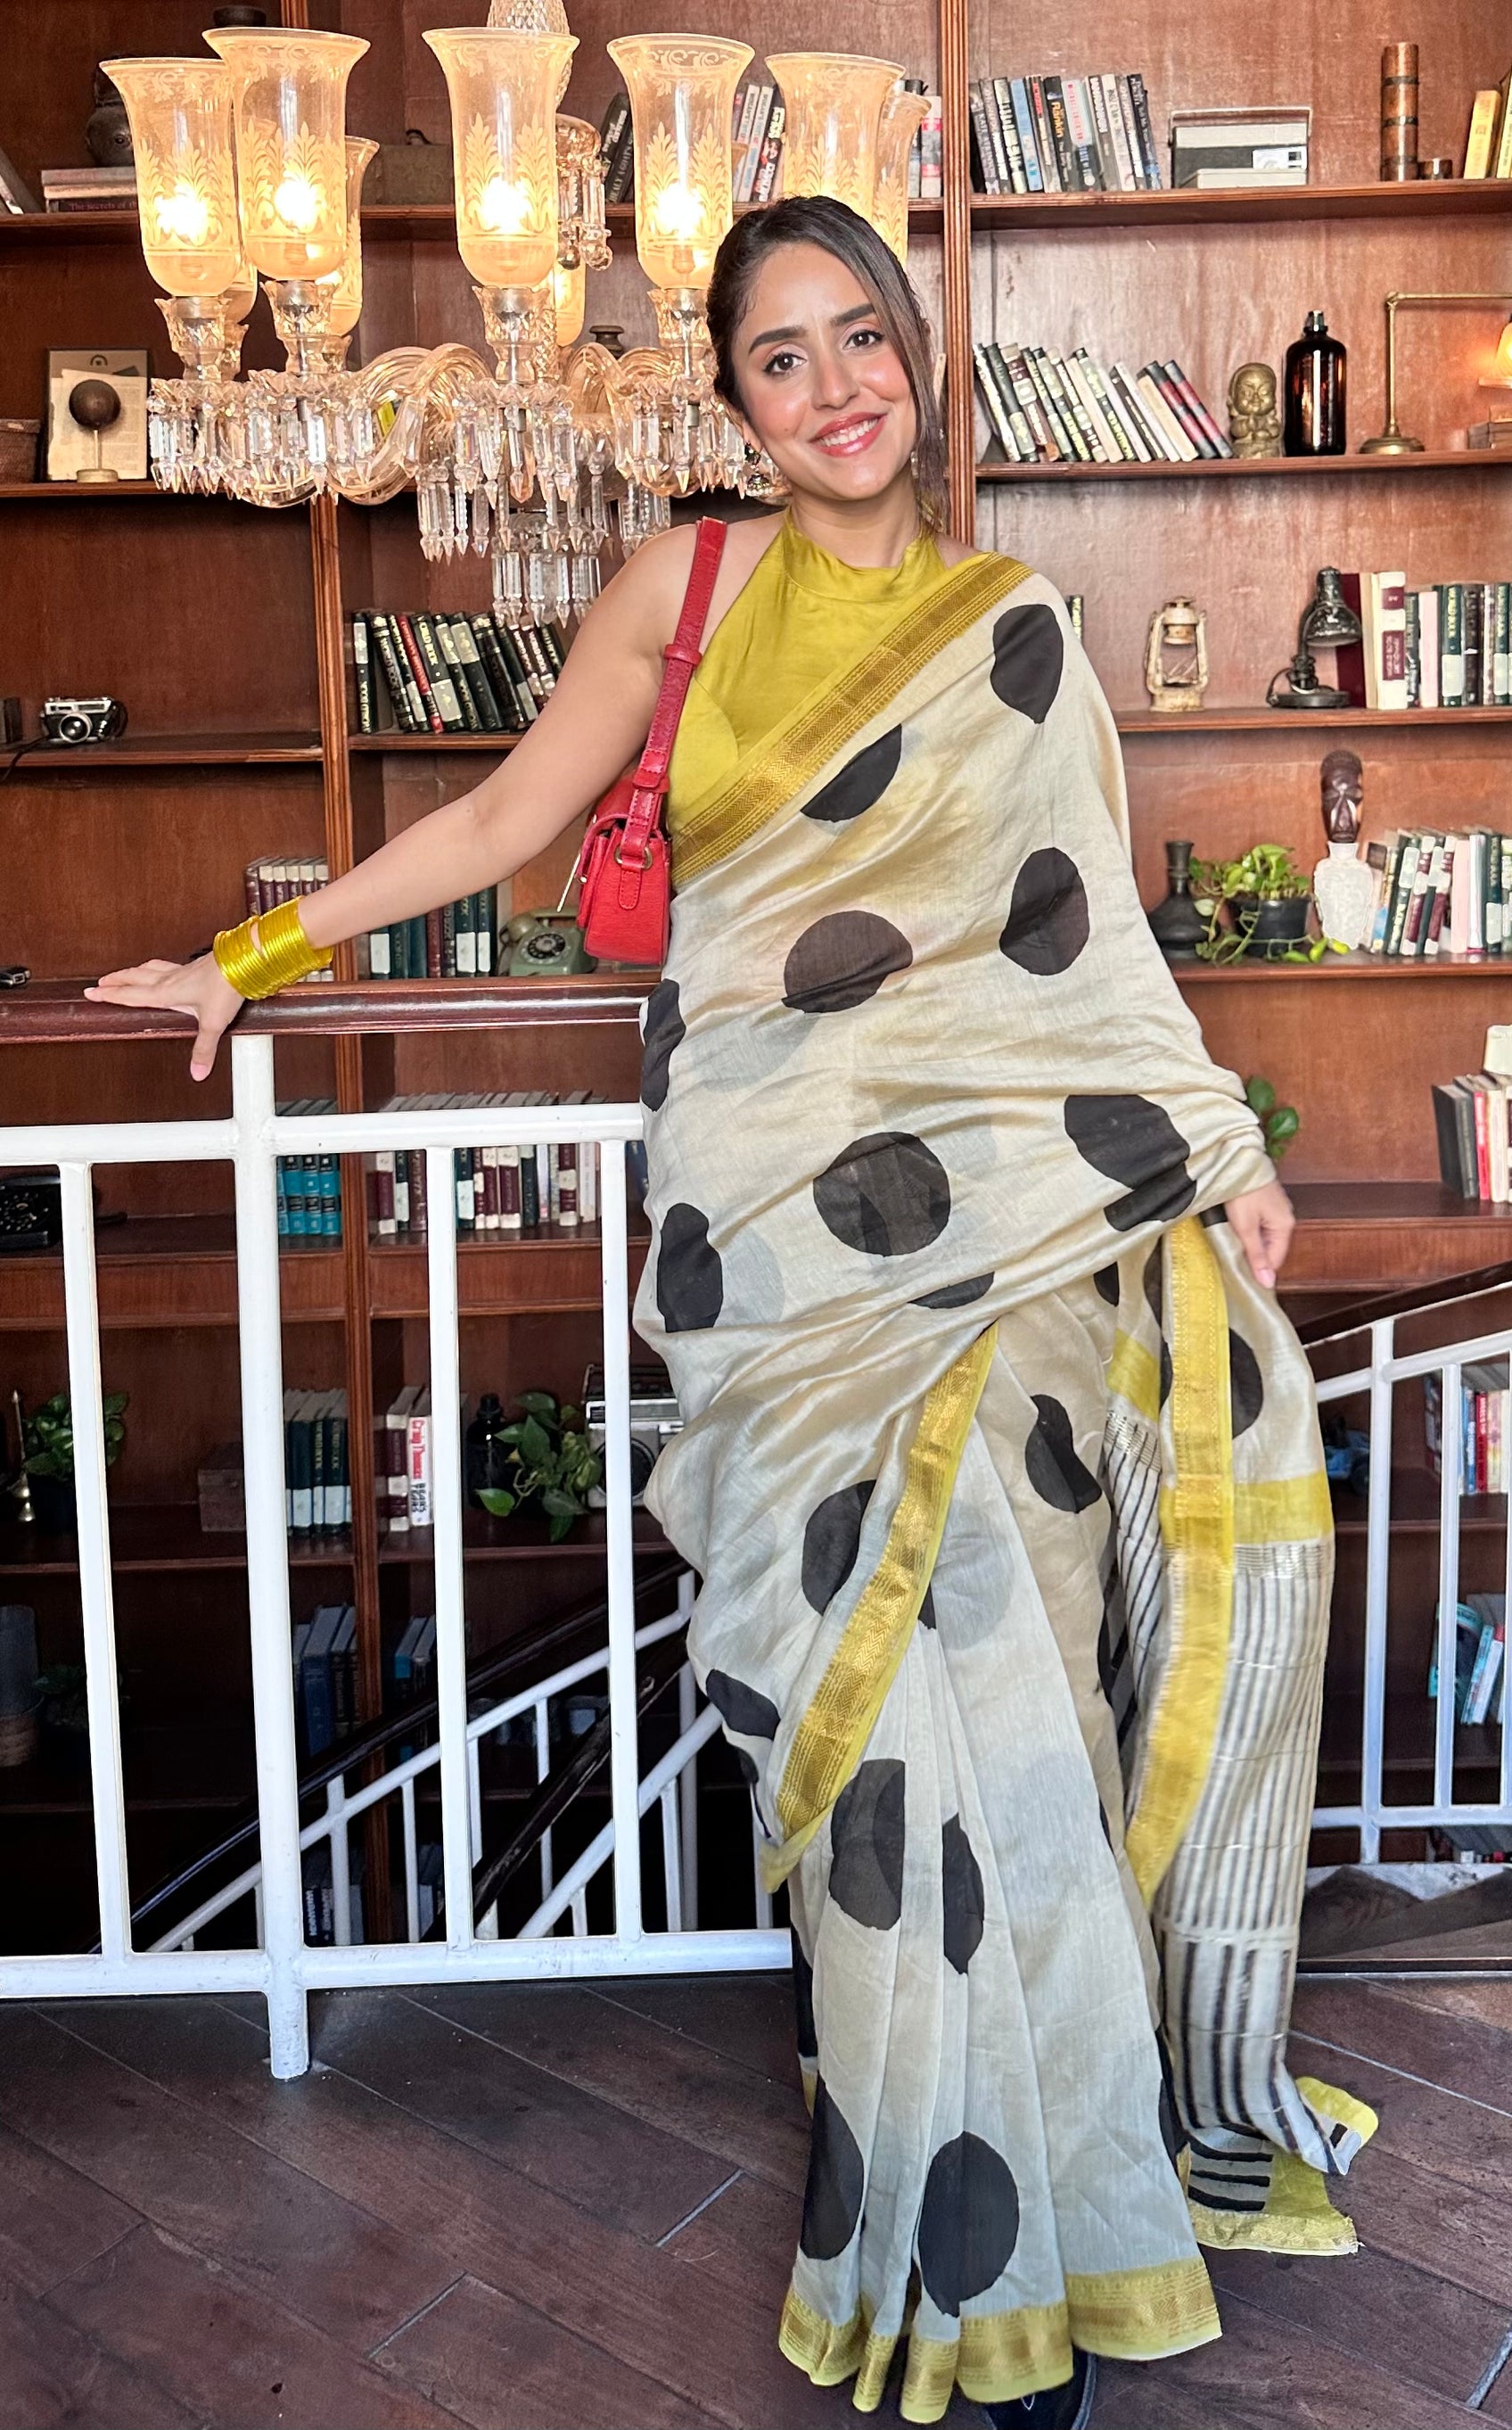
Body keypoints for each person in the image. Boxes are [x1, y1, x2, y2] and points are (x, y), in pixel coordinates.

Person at [88, 195, 1373, 2429]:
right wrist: (248, 957)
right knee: (869, 1752)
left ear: (916, 350)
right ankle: (949, 2244)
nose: (835, 387)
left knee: (1020, 1723)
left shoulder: (1015, 631)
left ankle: (1053, 2230)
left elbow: (1084, 940)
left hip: (1011, 1263)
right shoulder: (679, 594)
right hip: (771, 1262)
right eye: (782, 357)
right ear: (735, 405)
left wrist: (1214, 1141)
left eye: (861, 336)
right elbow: (501, 816)